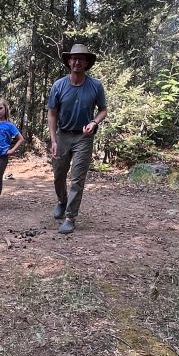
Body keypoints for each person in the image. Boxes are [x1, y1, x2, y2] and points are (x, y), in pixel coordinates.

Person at [47, 44, 108, 234]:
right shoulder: (59, 85)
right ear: (68, 61)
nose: (77, 62)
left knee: (77, 179)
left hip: (84, 137)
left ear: (87, 62)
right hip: (63, 135)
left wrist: (94, 122)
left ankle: (70, 217)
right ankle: (61, 201)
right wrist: (54, 140)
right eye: (74, 58)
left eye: (81, 58)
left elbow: (103, 110)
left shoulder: (95, 85)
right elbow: (52, 113)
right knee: (58, 175)